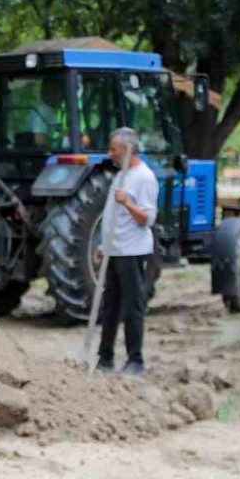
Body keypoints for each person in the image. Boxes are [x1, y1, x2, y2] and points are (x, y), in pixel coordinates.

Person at [96, 127, 158, 376]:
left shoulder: (144, 178)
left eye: (114, 149)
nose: (110, 153)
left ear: (128, 149)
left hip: (133, 252)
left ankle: (135, 360)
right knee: (109, 306)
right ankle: (105, 357)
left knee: (133, 306)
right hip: (114, 250)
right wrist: (103, 246)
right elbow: (112, 217)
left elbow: (147, 219)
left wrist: (127, 203)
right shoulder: (119, 176)